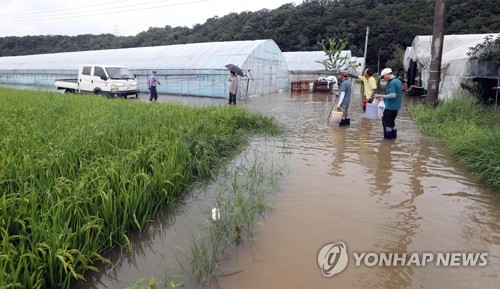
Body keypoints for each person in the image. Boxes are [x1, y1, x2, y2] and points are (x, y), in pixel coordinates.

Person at [375, 68, 402, 139]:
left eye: (383, 76)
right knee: (392, 123)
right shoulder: (398, 81)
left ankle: (387, 141)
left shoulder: (392, 83)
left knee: (386, 125)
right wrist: (383, 97)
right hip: (396, 107)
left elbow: (393, 95)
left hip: (389, 107)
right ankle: (393, 139)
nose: (384, 78)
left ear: (387, 75)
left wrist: (380, 96)